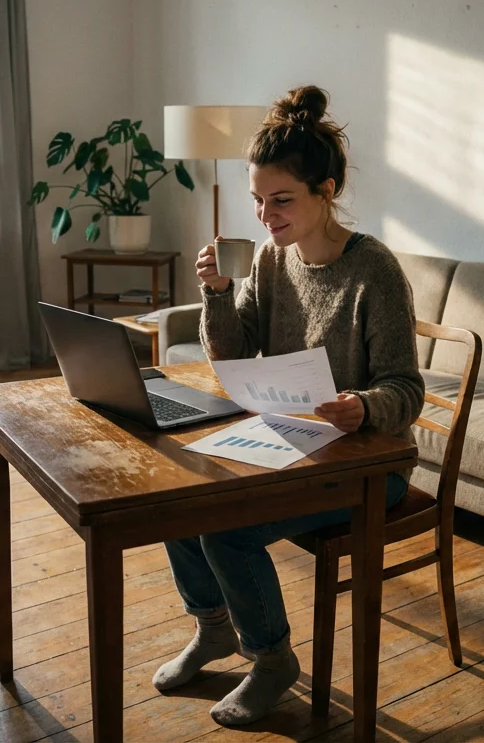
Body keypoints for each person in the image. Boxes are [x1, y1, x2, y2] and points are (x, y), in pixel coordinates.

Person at [153, 85, 424, 726]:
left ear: (326, 192)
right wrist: (217, 291)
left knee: (226, 527)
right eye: (257, 201)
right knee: (177, 494)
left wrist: (364, 404)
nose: (265, 216)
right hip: (287, 440)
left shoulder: (375, 272)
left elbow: (406, 390)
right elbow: (234, 353)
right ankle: (214, 627)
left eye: (281, 200)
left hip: (366, 466)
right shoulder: (273, 259)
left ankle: (272, 658)